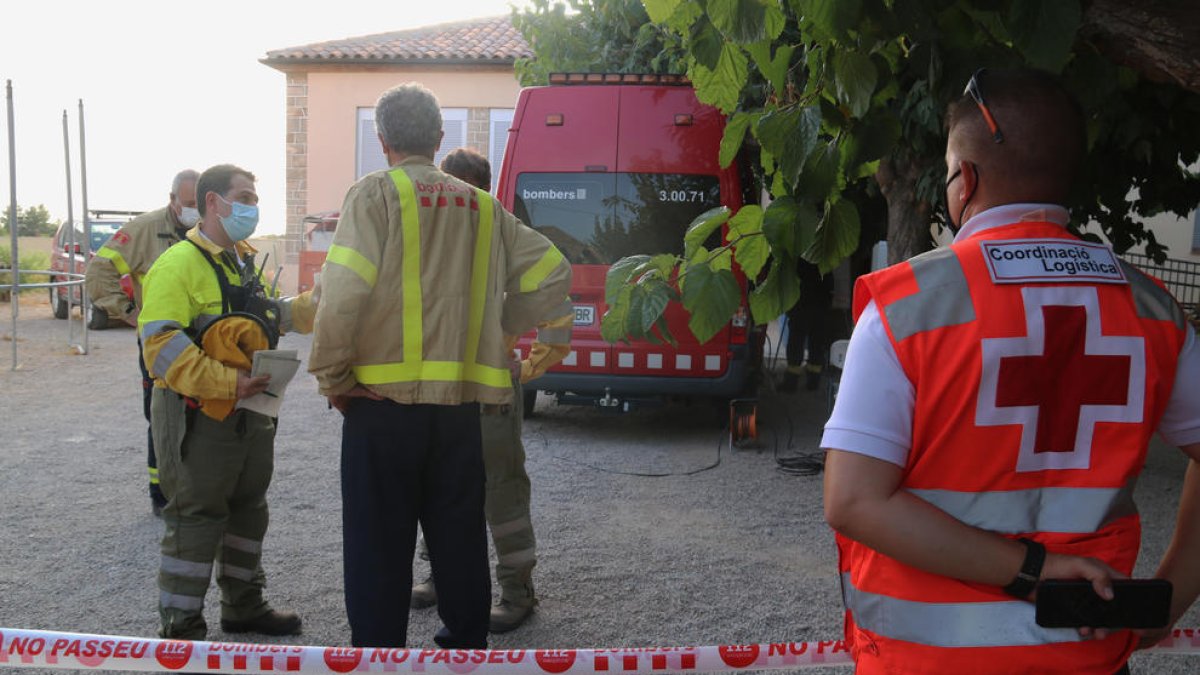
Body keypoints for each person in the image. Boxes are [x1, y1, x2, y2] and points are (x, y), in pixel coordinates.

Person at [822, 67, 1200, 674]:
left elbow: (854, 502)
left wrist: (1034, 572)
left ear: (964, 181)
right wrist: (1171, 597)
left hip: (926, 663)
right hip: (1090, 657)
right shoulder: (1152, 310)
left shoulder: (907, 307)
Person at [308, 83, 572, 649]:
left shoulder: (374, 195)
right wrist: (501, 326)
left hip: (380, 408)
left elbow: (342, 292)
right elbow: (553, 272)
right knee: (458, 537)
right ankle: (464, 646)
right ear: (439, 137)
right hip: (461, 410)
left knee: (378, 545)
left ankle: (380, 656)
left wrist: (334, 378)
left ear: (382, 141)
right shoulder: (483, 206)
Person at [138, 164, 315, 640]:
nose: (252, 207)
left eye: (255, 199)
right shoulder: (178, 264)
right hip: (199, 414)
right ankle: (181, 626)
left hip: (249, 412)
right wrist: (224, 382)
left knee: (248, 509)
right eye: (245, 197)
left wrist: (323, 300)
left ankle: (244, 606)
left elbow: (272, 316)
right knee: (195, 516)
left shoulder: (241, 261)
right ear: (212, 202)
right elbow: (159, 344)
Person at [408, 147, 573, 634]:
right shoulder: (437, 235)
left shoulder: (498, 232)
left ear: (478, 189)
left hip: (487, 391)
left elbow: (555, 294)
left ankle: (517, 591)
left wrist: (523, 362)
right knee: (438, 488)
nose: (450, 196)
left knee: (501, 492)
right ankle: (440, 574)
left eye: (459, 186)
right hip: (440, 388)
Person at [85, 169, 200, 517]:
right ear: (173, 201)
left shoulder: (209, 229)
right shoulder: (145, 230)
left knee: (202, 415)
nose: (194, 210)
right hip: (160, 342)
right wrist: (127, 311)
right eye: (188, 203)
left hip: (203, 339)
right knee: (162, 415)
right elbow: (99, 269)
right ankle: (161, 493)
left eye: (199, 203)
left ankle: (195, 488)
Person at [780, 260, 833, 392]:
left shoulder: (801, 257)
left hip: (801, 304)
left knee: (796, 341)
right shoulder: (825, 257)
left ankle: (791, 382)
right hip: (820, 305)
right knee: (817, 343)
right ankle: (813, 382)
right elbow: (830, 283)